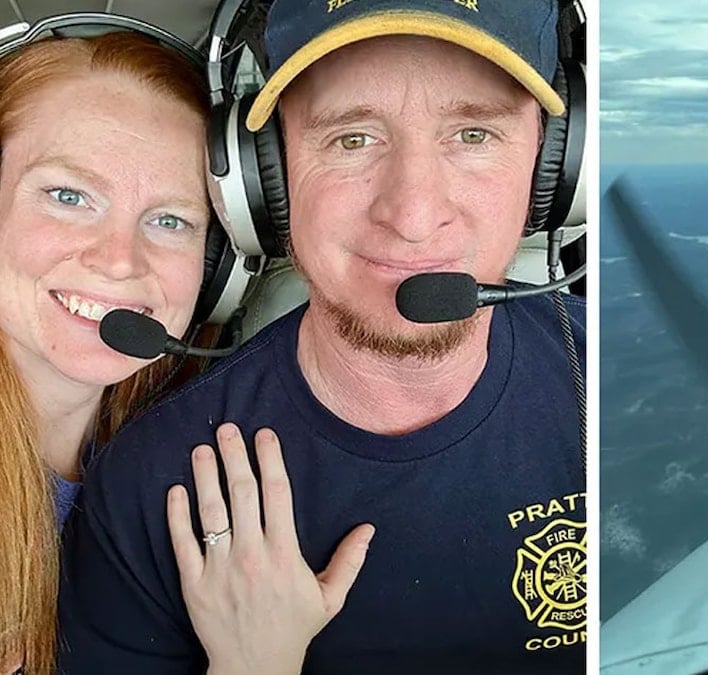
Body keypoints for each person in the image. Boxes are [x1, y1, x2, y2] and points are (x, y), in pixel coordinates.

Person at [57, 0, 587, 672]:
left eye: (474, 135)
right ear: (264, 179)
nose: (414, 215)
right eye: (352, 139)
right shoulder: (151, 490)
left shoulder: (619, 373)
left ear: (554, 164)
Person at [0, 19, 371, 675]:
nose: (120, 260)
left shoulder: (173, 449)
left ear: (220, 262)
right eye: (68, 195)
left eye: (170, 219)